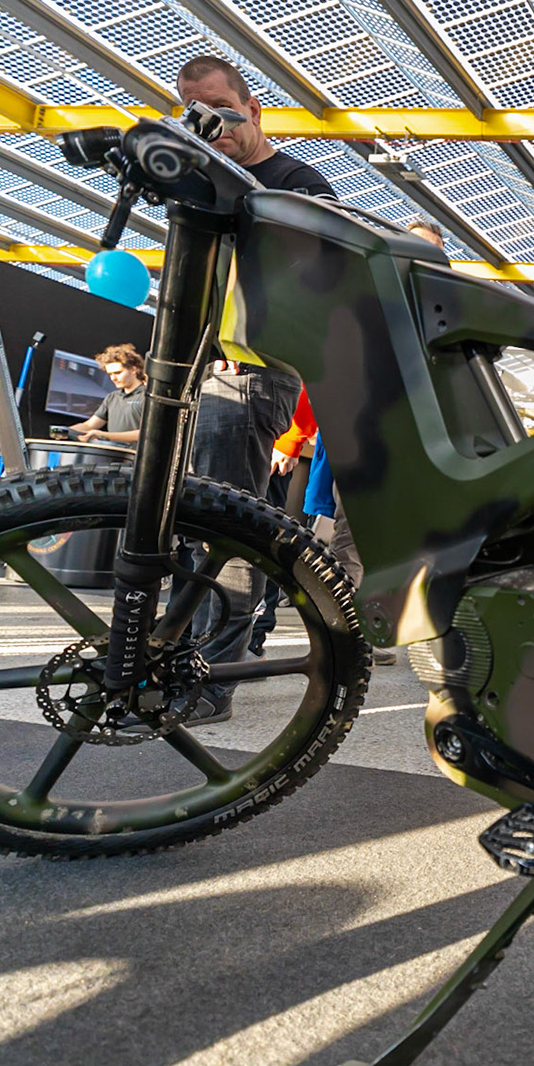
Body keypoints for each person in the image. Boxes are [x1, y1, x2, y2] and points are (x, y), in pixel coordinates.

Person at [174, 56, 334, 723]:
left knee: (225, 532)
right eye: (193, 113)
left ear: (254, 109)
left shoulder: (296, 182)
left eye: (219, 109)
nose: (209, 124)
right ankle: (179, 659)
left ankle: (212, 682)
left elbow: (314, 279)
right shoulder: (198, 180)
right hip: (193, 375)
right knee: (190, 524)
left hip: (251, 373)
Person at [66, 344, 146, 444]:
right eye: (110, 374)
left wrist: (104, 435)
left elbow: (147, 434)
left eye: (118, 373)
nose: (113, 378)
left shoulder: (147, 397)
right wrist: (66, 432)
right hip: (113, 454)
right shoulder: (112, 397)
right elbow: (90, 425)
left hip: (137, 457)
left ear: (134, 370)